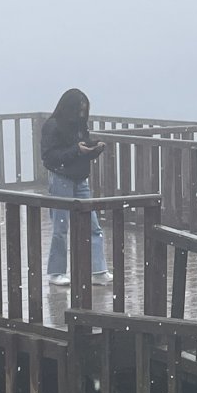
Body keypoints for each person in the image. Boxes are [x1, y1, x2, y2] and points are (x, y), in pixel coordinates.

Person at [41, 88, 113, 286]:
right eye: (79, 110)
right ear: (69, 108)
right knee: (60, 227)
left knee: (93, 226)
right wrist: (75, 150)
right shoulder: (52, 126)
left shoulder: (79, 126)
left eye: (84, 110)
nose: (82, 114)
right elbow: (49, 157)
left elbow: (82, 149)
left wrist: (95, 148)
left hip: (81, 180)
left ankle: (98, 270)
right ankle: (56, 272)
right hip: (61, 179)